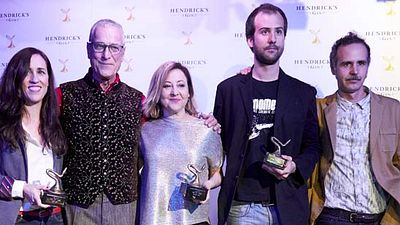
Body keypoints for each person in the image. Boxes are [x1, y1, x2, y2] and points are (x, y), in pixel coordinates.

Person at [58, 19, 219, 225]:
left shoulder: (138, 101)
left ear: (123, 53)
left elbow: (174, 125)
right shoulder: (63, 94)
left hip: (125, 207)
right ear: (89, 50)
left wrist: (205, 121)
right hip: (77, 206)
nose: (107, 55)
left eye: (114, 48)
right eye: (100, 46)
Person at [213, 3, 320, 225]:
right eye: (265, 31)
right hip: (242, 208)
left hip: (289, 207)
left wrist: (294, 166)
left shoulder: (304, 93)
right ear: (250, 40)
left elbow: (313, 146)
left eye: (278, 31)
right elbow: (217, 144)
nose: (273, 38)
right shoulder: (228, 90)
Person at [309, 32, 400, 225]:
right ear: (333, 68)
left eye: (361, 63)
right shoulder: (317, 109)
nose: (354, 71)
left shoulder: (393, 109)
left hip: (381, 217)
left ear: (368, 66)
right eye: (346, 64)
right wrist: (254, 73)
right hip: (332, 216)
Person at [139, 61, 223, 225]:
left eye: (181, 85)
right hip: (153, 219)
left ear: (189, 92)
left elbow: (217, 174)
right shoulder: (145, 130)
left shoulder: (207, 130)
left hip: (194, 220)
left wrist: (208, 185)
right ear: (157, 91)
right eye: (167, 86)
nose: (174, 92)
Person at [0, 47, 67, 224]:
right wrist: (22, 188)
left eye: (41, 72)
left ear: (48, 80)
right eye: (27, 73)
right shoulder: (2, 125)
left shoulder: (57, 125)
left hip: (55, 218)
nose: (35, 79)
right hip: (17, 219)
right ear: (15, 79)